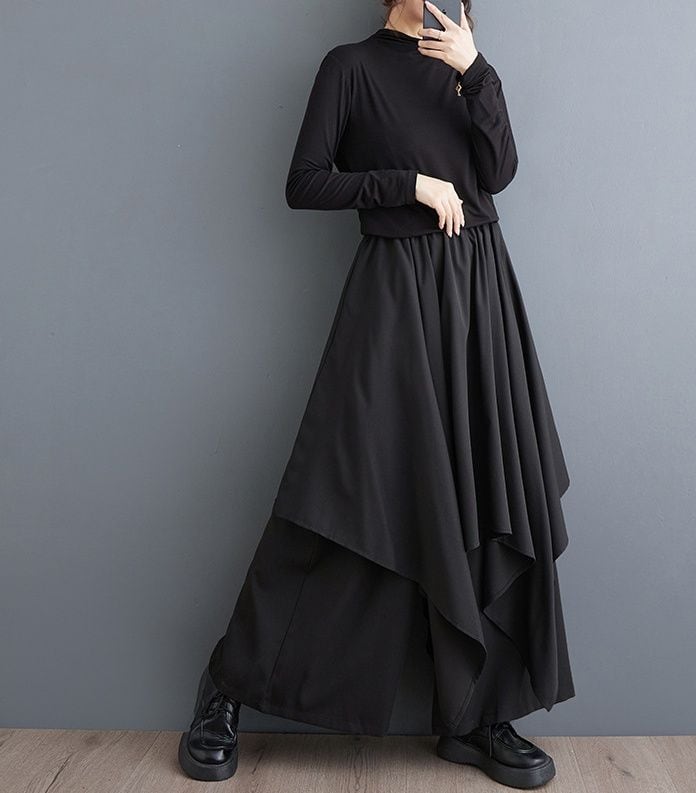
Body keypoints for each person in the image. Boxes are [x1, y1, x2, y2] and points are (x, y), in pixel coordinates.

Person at [178, 1, 574, 788]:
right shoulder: (349, 67)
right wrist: (410, 184)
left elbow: (498, 174)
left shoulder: (467, 67)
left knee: (479, 487)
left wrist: (475, 72)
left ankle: (477, 714)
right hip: (393, 287)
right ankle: (227, 685)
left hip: (478, 291)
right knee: (343, 485)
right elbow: (304, 182)